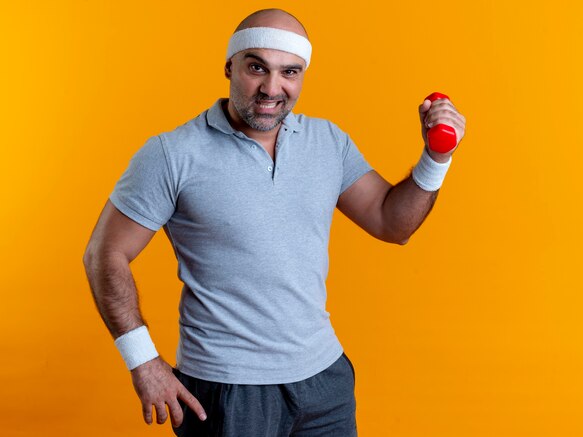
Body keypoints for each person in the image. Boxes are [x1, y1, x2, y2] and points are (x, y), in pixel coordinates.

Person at [83, 8, 466, 437]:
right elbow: (105, 253)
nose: (272, 88)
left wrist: (436, 158)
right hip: (228, 389)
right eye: (256, 67)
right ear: (230, 67)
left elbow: (392, 224)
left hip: (324, 380)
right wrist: (143, 362)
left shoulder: (328, 143)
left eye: (290, 72)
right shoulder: (172, 154)